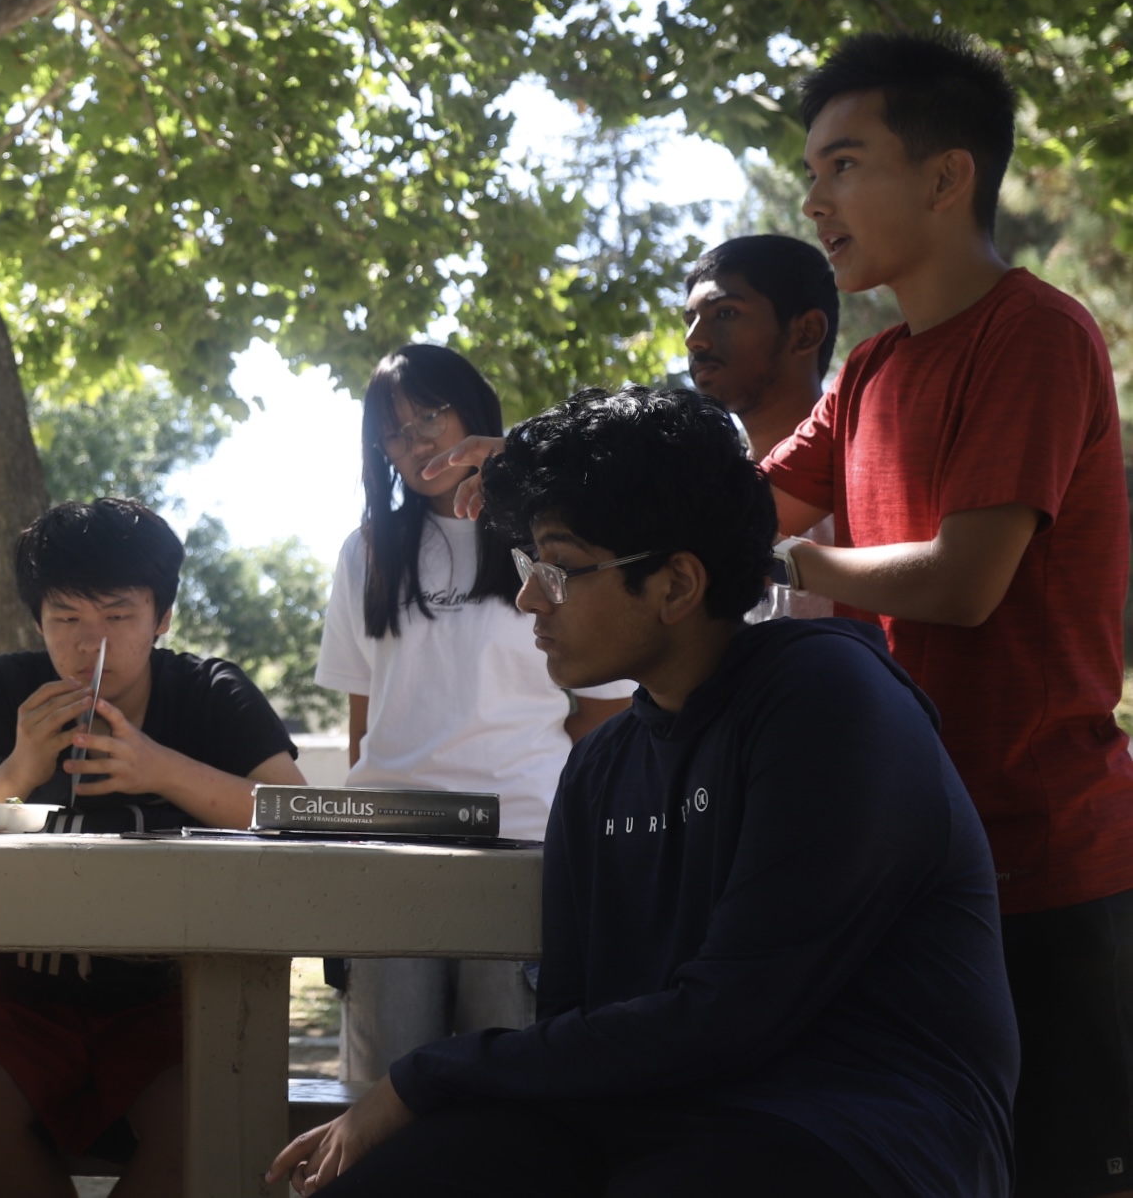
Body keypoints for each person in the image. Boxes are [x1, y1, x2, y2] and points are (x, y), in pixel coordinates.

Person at [269, 384, 1017, 1198]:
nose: (527, 598)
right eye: (528, 564)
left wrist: (421, 1078)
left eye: (556, 566)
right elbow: (573, 1027)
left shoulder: (828, 699)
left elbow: (731, 1016)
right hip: (645, 1117)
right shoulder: (599, 767)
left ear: (676, 584)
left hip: (851, 1126)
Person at [759, 31, 1133, 1197]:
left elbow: (963, 582)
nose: (813, 198)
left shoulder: (1036, 332)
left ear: (943, 173)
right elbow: (731, 506)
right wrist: (551, 472)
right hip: (902, 863)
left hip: (1046, 866)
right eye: (809, 170)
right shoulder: (868, 374)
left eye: (842, 163)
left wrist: (790, 566)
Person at [0, 498, 304, 1198]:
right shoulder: (4, 690)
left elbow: (296, 811)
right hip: (13, 996)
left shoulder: (210, 694)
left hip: (174, 996)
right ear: (37, 619)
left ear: (162, 617)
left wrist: (160, 768)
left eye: (119, 617)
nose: (90, 645)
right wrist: (18, 770)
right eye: (66, 617)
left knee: (212, 1118)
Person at [315, 344, 629, 1094]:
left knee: (513, 1098)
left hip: (524, 849)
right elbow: (365, 725)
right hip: (387, 856)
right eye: (395, 430)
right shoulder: (366, 552)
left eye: (431, 414)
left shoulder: (550, 541)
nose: (418, 440)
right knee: (384, 1095)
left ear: (474, 414)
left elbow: (604, 715)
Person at [681, 233, 841, 618]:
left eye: (726, 313)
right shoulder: (708, 494)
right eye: (690, 319)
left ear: (806, 333)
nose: (694, 340)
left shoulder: (862, 484)